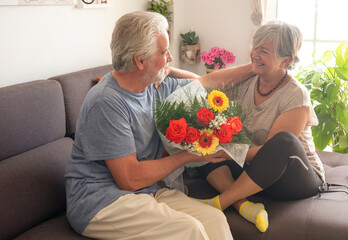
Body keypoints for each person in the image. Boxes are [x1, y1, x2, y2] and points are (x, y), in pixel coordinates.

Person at [65, 11, 254, 240]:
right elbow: (129, 179)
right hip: (99, 201)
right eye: (164, 53)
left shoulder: (155, 85)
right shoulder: (106, 102)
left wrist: (254, 68)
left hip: (145, 191)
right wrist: (188, 156)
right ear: (140, 61)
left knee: (214, 219)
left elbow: (203, 83)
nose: (170, 59)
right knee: (189, 230)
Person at [194, 21, 325, 233]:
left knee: (283, 141)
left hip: (293, 177)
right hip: (256, 174)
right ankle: (245, 206)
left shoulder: (295, 95)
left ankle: (220, 202)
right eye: (254, 46)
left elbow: (270, 153)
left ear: (286, 60)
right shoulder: (248, 81)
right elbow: (202, 83)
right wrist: (168, 73)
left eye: (264, 51)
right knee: (205, 145)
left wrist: (230, 154)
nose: (254, 54)